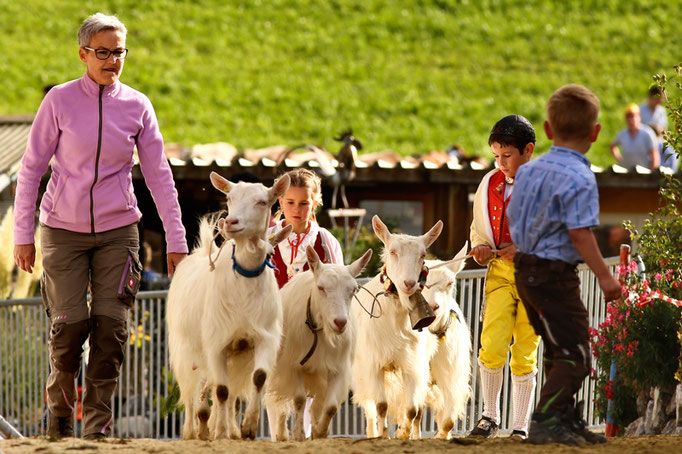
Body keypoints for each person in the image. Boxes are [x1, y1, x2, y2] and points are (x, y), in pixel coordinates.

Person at [12, 13, 188, 439]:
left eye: (119, 52)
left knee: (111, 327)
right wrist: (23, 234)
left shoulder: (138, 106)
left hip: (118, 229)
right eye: (103, 52)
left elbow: (159, 174)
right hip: (61, 230)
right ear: (83, 55)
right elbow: (32, 168)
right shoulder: (58, 100)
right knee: (69, 326)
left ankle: (96, 429)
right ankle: (58, 418)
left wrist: (176, 238)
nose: (113, 60)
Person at [508, 84, 622, 445]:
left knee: (560, 350)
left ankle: (566, 419)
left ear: (546, 130)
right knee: (576, 354)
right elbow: (579, 233)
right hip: (555, 274)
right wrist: (605, 277)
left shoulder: (526, 172)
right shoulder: (580, 176)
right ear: (596, 133)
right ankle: (546, 419)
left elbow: (514, 218)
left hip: (524, 270)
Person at [467, 115, 540, 441]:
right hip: (499, 272)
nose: (501, 163)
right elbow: (478, 226)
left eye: (507, 156)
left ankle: (520, 425)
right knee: (491, 342)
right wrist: (480, 247)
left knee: (525, 346)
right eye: (497, 157)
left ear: (528, 150)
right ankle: (489, 416)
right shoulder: (490, 183)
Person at [268, 168, 343, 438]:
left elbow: (337, 288)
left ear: (315, 203)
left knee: (312, 387)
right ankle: (278, 437)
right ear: (280, 202)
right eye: (290, 202)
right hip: (275, 326)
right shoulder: (266, 238)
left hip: (313, 330)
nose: (296, 210)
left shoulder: (326, 241)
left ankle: (309, 437)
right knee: (273, 385)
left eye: (304, 203)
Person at [609, 103, 660, 171]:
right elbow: (612, 146)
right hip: (626, 171)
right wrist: (620, 160)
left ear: (639, 116)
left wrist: (653, 172)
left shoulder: (647, 133)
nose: (631, 120)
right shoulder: (623, 133)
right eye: (628, 117)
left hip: (643, 172)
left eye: (633, 116)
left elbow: (654, 154)